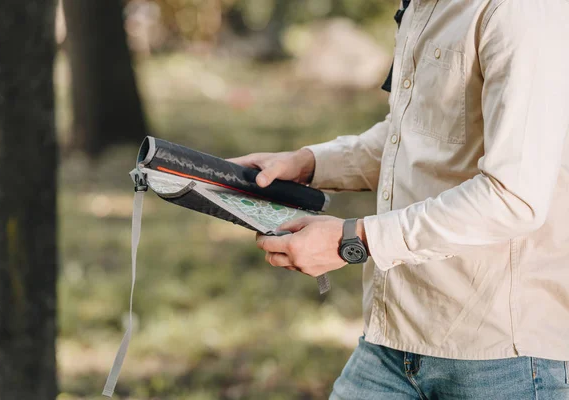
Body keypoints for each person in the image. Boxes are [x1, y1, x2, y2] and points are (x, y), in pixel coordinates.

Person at [229, 0, 569, 399]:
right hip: (394, 339)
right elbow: (417, 133)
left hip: (501, 357)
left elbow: (513, 197)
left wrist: (355, 239)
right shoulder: (422, 7)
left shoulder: (520, 11)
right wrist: (309, 163)